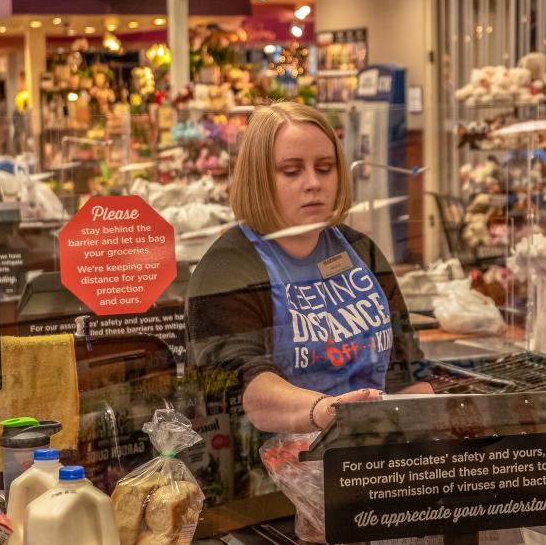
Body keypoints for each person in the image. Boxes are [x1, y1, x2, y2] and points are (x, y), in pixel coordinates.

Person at [185, 102, 432, 435]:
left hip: (373, 451)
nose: (313, 183)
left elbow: (406, 367)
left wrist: (431, 429)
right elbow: (244, 385)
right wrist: (328, 411)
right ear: (259, 179)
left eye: (325, 167)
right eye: (292, 171)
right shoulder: (226, 269)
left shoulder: (360, 249)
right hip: (271, 468)